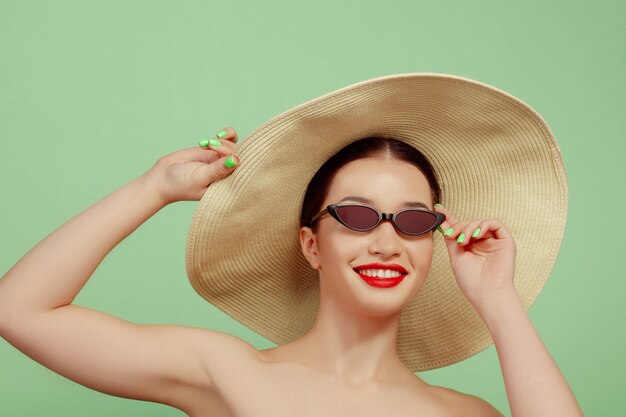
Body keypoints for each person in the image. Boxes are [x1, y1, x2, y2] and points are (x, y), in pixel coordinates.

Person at [0, 73, 583, 416]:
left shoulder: (465, 414)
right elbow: (20, 310)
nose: (386, 240)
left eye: (412, 223)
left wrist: (499, 300)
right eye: (356, 215)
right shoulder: (224, 370)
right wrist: (151, 189)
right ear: (311, 244)